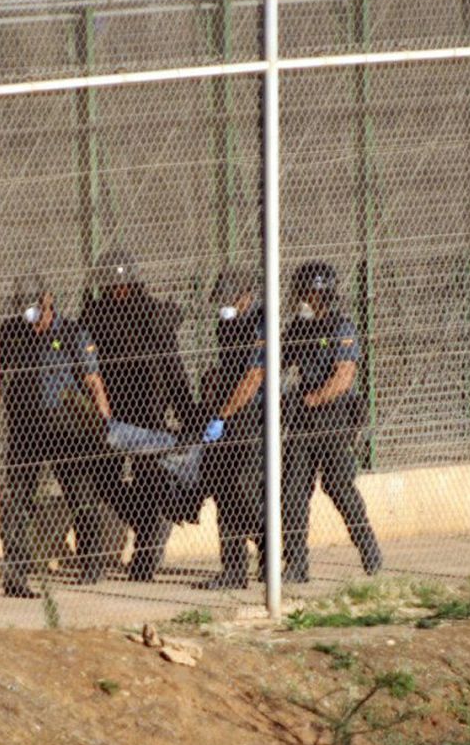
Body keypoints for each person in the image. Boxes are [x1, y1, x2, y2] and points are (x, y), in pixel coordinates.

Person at [81, 251, 199, 582]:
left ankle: (145, 558)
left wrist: (187, 415)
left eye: (121, 284)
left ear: (133, 283)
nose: (116, 291)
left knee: (150, 483)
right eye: (110, 285)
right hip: (111, 411)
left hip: (148, 411)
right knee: (103, 480)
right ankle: (145, 523)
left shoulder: (153, 314)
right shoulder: (95, 316)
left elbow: (173, 369)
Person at [0, 275, 115, 598]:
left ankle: (92, 562)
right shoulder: (10, 332)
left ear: (47, 302)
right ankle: (16, 573)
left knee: (80, 494)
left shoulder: (73, 333)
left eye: (35, 309)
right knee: (17, 500)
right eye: (24, 309)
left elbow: (93, 381)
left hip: (66, 429)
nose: (30, 317)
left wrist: (105, 422)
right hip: (25, 427)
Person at [282, 261, 382, 582]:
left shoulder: (342, 327)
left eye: (306, 292)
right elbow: (280, 362)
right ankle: (296, 564)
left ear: (320, 293)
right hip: (302, 419)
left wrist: (315, 398)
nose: (301, 298)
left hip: (333, 416)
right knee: (293, 491)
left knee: (338, 485)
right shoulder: (299, 327)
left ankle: (369, 549)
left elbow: (344, 376)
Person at [195, 268, 266, 590]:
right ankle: (234, 568)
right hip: (229, 412)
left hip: (255, 415)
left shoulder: (261, 322)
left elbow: (254, 377)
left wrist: (222, 415)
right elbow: (227, 368)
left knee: (245, 489)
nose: (224, 306)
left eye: (229, 299)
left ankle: (269, 549)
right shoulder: (226, 322)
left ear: (245, 296)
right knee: (225, 489)